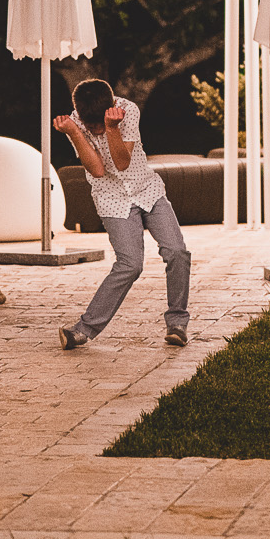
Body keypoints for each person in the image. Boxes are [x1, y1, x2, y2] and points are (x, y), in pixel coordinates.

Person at [52, 77, 191, 351]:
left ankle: (177, 324)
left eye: (96, 125)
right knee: (130, 265)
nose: (95, 130)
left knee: (177, 252)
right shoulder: (76, 122)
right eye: (87, 124)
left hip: (148, 191)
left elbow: (122, 163)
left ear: (111, 106)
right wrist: (75, 133)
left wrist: (111, 128)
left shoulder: (128, 111)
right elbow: (98, 170)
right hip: (112, 201)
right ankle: (83, 330)